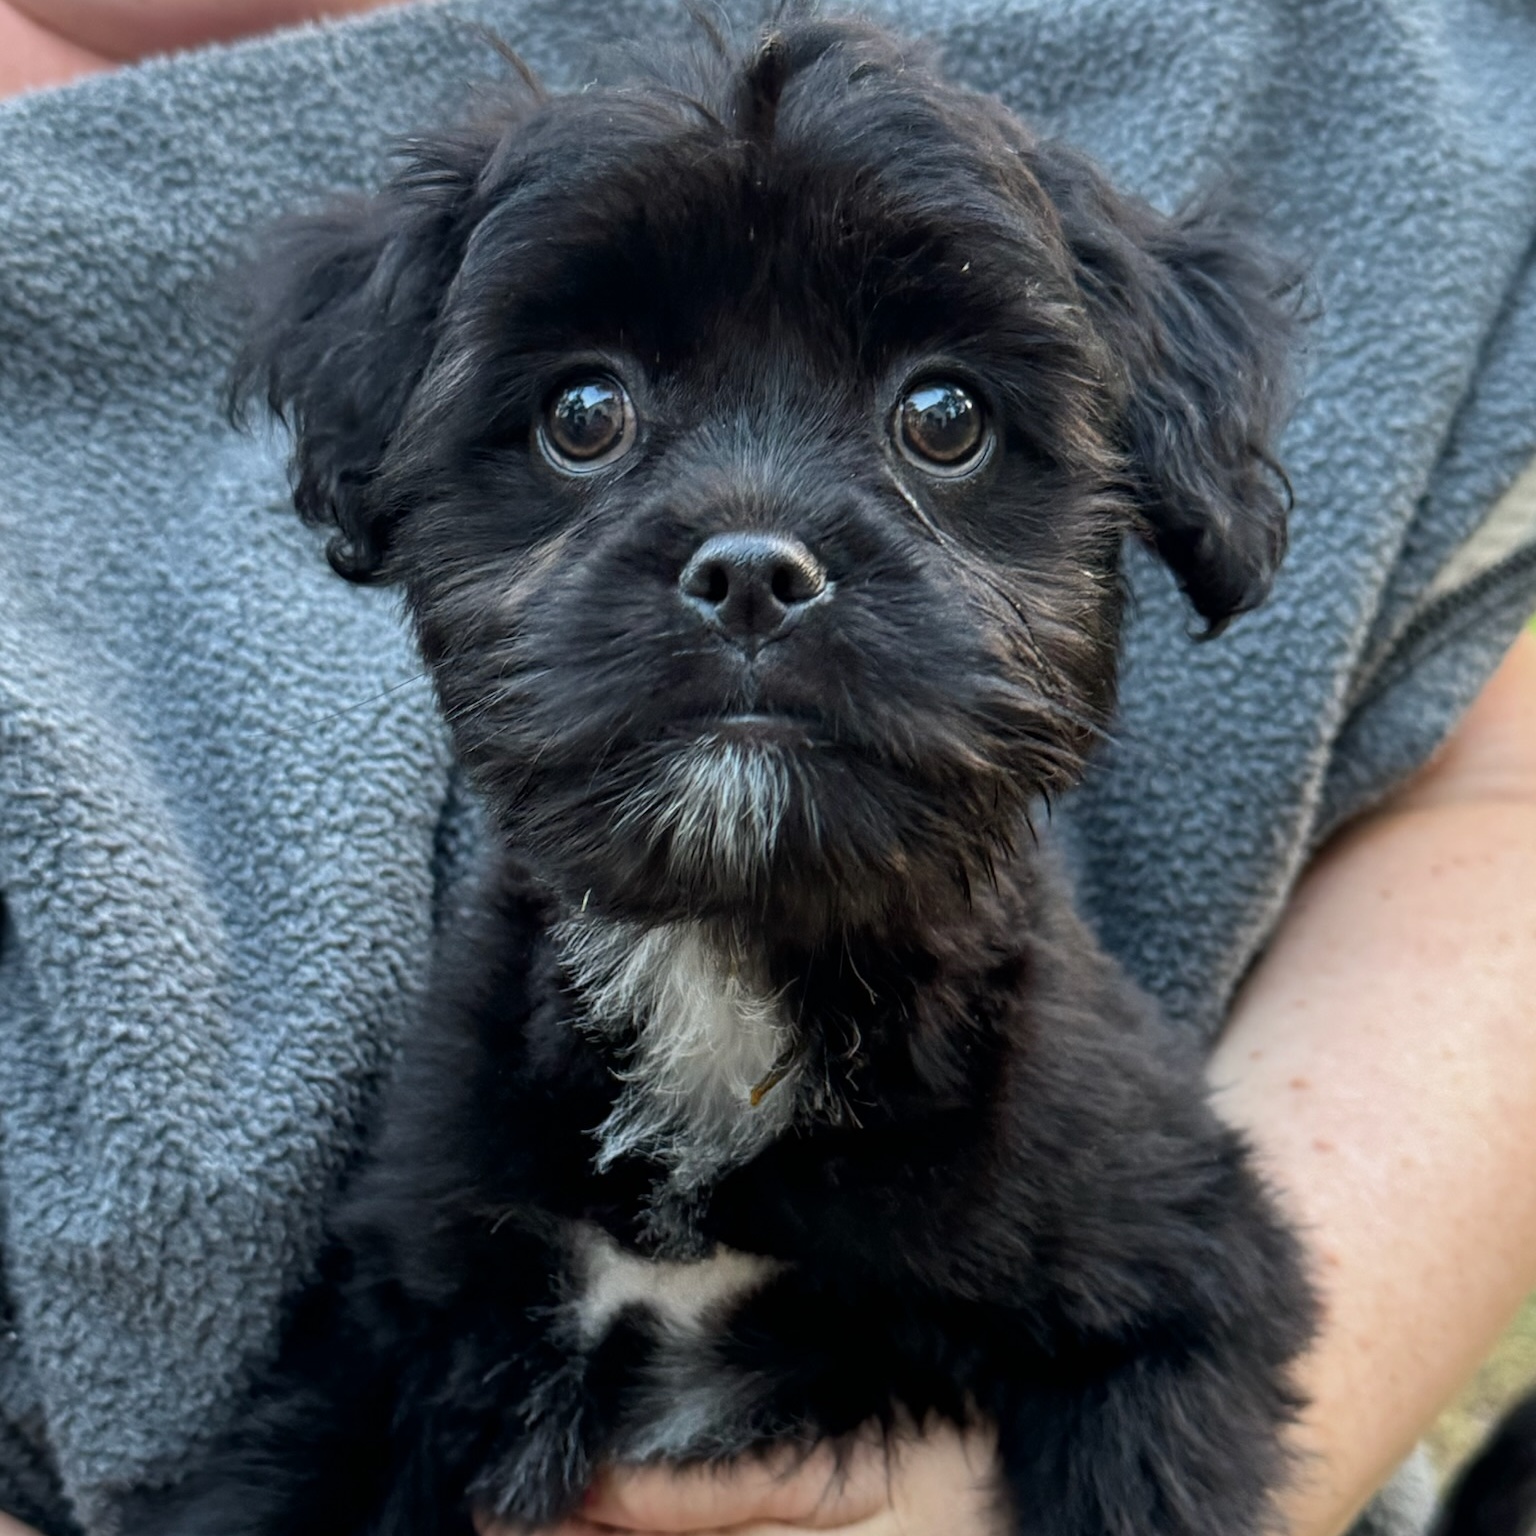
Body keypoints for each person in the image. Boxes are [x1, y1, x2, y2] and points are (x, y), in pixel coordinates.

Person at [0, 3, 1533, 1535]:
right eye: (586, 417)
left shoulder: (1062, 1145)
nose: (754, 553)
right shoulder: (473, 1116)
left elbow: (1191, 1314)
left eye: (942, 423)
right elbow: (373, 1384)